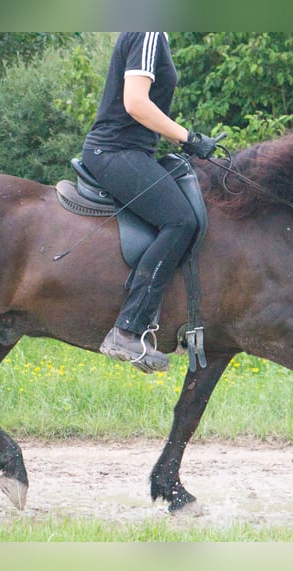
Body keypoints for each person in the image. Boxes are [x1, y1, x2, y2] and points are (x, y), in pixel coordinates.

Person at [82, 32, 216, 373]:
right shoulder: (147, 29)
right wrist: (189, 137)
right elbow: (135, 103)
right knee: (180, 221)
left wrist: (183, 139)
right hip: (116, 150)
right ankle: (128, 330)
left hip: (132, 151)